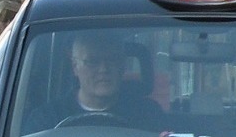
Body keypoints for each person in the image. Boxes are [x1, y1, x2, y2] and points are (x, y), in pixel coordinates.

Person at [35, 33, 164, 129]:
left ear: (122, 65)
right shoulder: (48, 119)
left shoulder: (148, 114)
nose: (103, 69)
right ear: (75, 67)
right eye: (92, 62)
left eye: (112, 60)